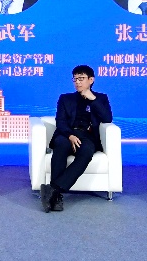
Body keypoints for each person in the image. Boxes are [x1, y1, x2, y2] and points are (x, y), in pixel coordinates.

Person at [40, 65, 114, 212]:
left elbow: (107, 118)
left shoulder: (101, 98)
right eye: (75, 79)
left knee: (86, 152)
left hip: (87, 137)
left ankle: (54, 190)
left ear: (91, 80)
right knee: (61, 145)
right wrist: (70, 135)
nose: (78, 82)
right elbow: (60, 121)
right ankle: (56, 196)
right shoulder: (65, 98)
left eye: (81, 79)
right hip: (67, 134)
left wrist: (93, 99)